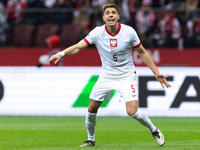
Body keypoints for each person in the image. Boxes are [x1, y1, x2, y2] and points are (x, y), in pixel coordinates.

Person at [48, 3, 171, 147]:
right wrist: (60, 53)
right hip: (106, 76)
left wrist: (156, 73)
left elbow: (142, 52)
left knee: (132, 112)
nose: (110, 15)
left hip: (126, 76)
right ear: (104, 17)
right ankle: (90, 139)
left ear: (118, 16)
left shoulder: (129, 32)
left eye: (113, 12)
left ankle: (154, 130)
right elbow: (77, 47)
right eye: (107, 13)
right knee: (92, 108)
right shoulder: (97, 32)